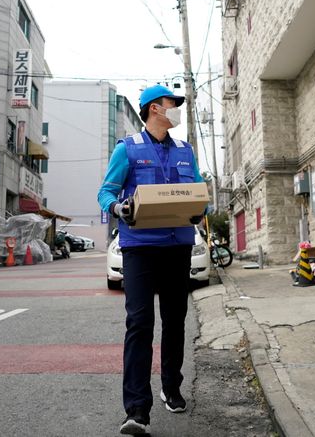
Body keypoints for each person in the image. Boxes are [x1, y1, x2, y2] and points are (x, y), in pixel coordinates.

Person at [97, 84, 204, 435]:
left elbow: (200, 193)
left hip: (177, 245)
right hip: (140, 246)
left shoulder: (186, 152)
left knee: (175, 322)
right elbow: (106, 191)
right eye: (172, 104)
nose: (176, 109)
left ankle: (171, 388)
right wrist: (117, 207)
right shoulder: (128, 149)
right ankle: (136, 410)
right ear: (154, 109)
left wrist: (203, 208)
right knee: (140, 323)